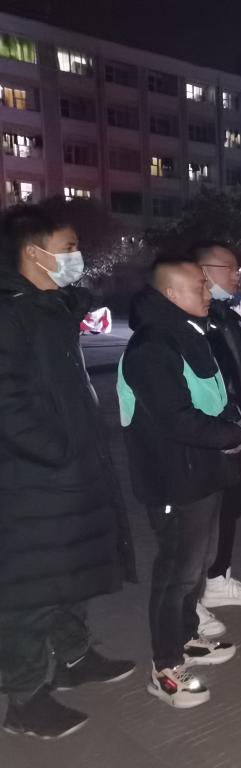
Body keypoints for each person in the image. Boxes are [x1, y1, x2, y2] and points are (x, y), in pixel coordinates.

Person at [0, 204, 136, 739]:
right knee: (32, 592)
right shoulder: (10, 313)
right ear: (34, 253)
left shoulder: (49, 308)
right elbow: (7, 403)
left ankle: (75, 657)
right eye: (69, 247)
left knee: (69, 576)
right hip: (32, 480)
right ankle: (25, 699)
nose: (77, 256)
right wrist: (57, 452)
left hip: (70, 469)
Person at [118, 258, 241, 708]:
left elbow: (214, 397)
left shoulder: (188, 334)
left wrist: (231, 424)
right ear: (171, 294)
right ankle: (165, 666)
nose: (208, 293)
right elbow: (176, 419)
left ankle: (187, 637)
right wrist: (232, 434)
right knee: (175, 573)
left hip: (201, 473)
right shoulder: (152, 347)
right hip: (173, 481)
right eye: (199, 287)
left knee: (194, 567)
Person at [188, 243, 241, 633]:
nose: (237, 275)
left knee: (232, 507)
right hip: (211, 436)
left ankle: (218, 578)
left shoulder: (227, 317)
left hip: (237, 428)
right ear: (202, 271)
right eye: (229, 268)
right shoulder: (191, 321)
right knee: (202, 519)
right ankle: (192, 598)